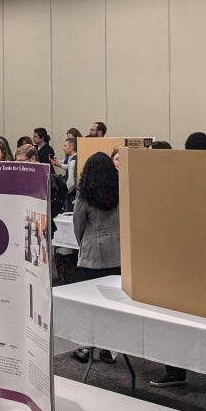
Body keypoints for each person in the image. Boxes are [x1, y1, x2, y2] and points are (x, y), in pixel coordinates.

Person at [150, 132, 206, 399]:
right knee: (176, 320)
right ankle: (176, 371)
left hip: (205, 264)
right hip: (181, 261)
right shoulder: (177, 181)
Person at [71, 152, 120, 364]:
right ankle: (110, 348)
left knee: (90, 303)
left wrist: (84, 243)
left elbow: (78, 224)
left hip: (93, 254)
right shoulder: (121, 190)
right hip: (117, 253)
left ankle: (86, 346)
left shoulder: (84, 194)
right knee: (113, 304)